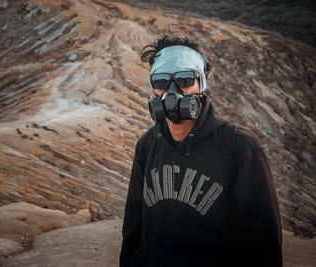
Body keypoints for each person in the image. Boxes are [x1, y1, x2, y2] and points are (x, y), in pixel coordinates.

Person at [119, 36, 283, 267]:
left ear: (201, 83)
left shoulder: (239, 147)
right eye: (161, 82)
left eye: (185, 79)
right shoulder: (147, 145)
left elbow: (263, 246)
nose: (172, 92)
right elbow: (132, 232)